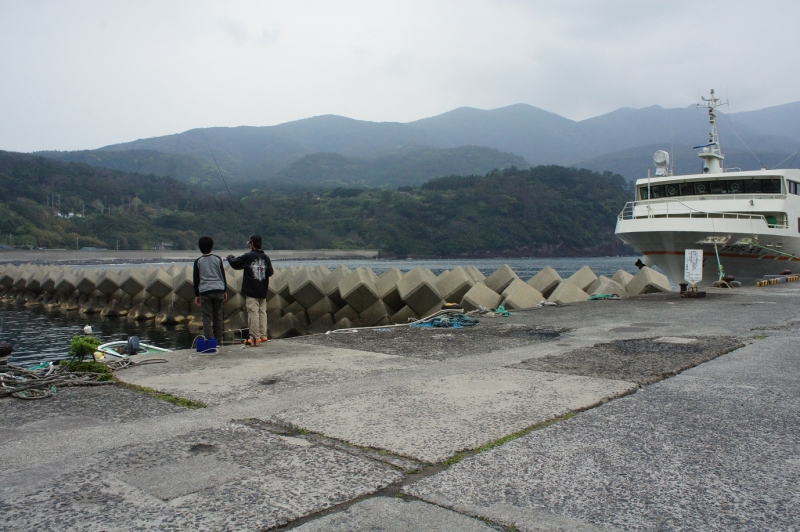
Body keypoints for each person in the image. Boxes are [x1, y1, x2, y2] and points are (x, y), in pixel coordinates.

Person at [227, 234, 273, 345]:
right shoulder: (266, 257)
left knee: (253, 313)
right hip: (263, 290)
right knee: (262, 312)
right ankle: (263, 335)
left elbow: (235, 264)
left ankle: (254, 337)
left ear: (252, 244)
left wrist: (229, 257)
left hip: (251, 290)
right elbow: (270, 272)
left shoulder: (249, 256)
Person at [193, 236, 228, 342]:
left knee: (207, 317)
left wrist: (197, 295)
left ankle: (210, 341)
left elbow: (196, 280)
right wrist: (224, 290)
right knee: (218, 316)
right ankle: (218, 340)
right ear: (212, 247)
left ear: (200, 248)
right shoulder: (218, 259)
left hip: (205, 291)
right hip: (218, 289)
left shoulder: (198, 261)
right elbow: (222, 275)